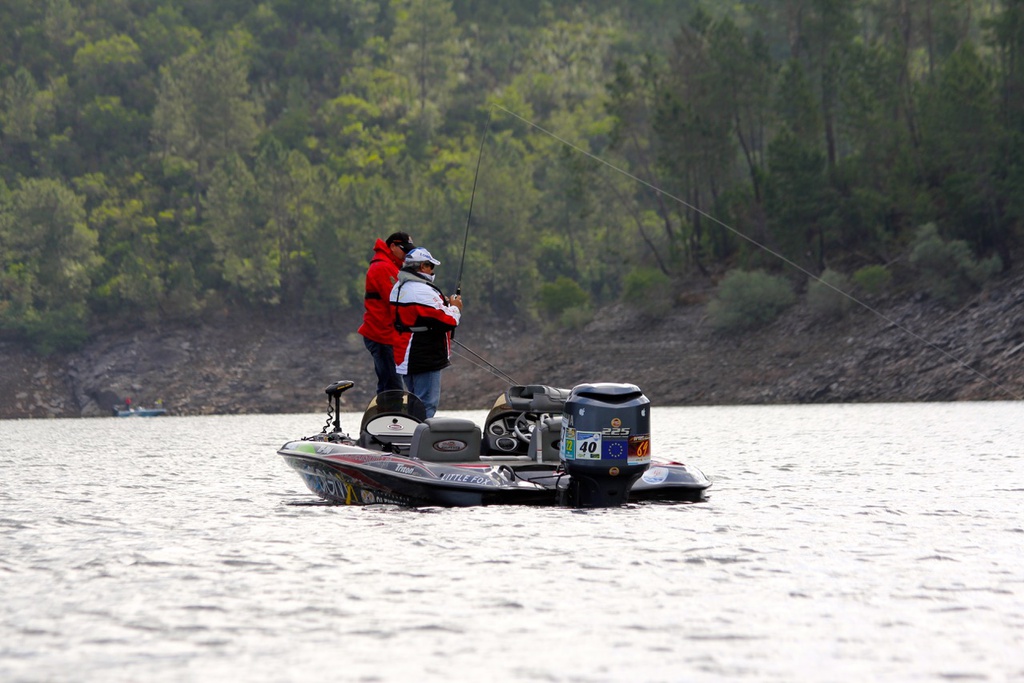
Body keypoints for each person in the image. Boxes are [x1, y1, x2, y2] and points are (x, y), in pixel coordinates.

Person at [389, 247, 463, 418]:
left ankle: (410, 438)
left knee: (415, 403)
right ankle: (419, 441)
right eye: (431, 266)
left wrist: (444, 304)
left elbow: (419, 313)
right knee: (426, 404)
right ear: (423, 267)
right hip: (424, 355)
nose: (432, 271)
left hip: (406, 354)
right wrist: (455, 307)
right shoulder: (421, 290)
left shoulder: (398, 287)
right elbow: (448, 321)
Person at [358, 232, 415, 394]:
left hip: (387, 335)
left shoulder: (391, 265)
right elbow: (397, 301)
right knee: (392, 388)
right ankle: (389, 416)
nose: (407, 255)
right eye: (405, 250)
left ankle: (387, 414)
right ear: (392, 246)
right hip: (380, 335)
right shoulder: (383, 267)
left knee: (388, 385)